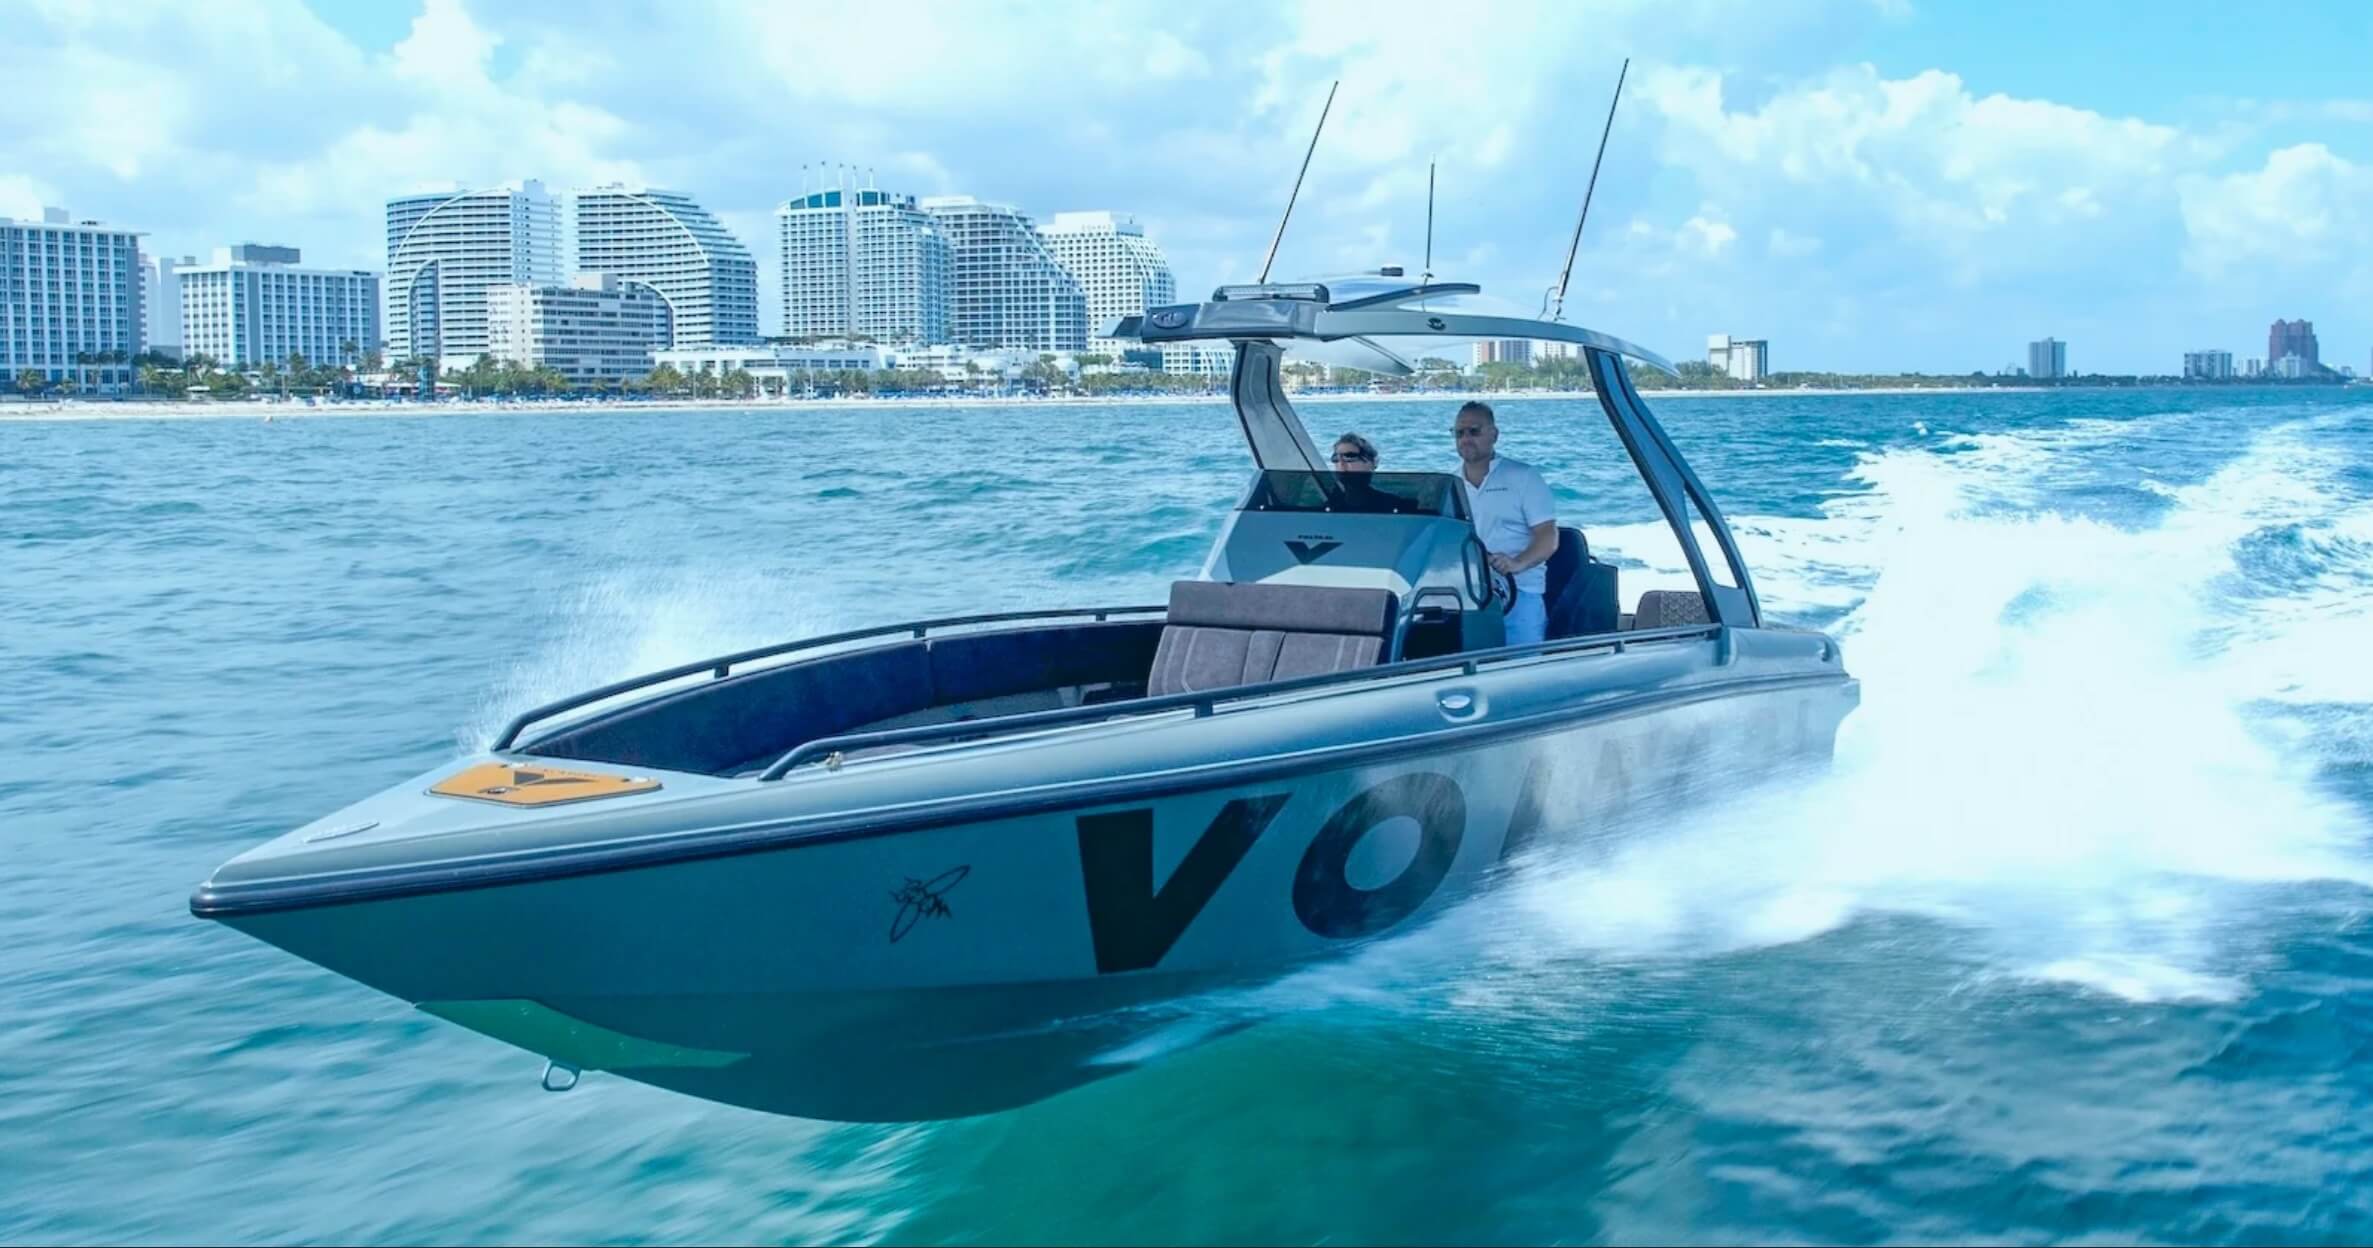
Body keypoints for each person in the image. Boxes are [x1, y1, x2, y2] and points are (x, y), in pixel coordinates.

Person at [1451, 400, 1557, 645]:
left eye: (1474, 431)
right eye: (1459, 433)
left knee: (1522, 668)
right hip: (1469, 598)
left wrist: (1517, 563)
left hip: (1521, 593)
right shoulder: (1450, 483)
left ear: (1494, 435)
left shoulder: (1524, 477)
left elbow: (1548, 536)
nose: (1466, 439)